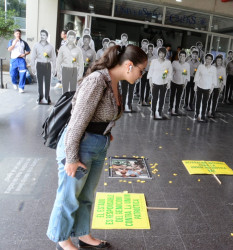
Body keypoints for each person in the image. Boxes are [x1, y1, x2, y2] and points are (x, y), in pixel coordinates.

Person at [47, 45, 147, 250]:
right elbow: (76, 122)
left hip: (97, 145)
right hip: (80, 145)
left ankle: (83, 234)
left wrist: (106, 132)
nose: (141, 75)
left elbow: (104, 114)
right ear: (129, 66)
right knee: (68, 196)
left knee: (86, 196)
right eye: (141, 70)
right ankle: (62, 241)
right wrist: (72, 157)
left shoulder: (114, 82)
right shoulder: (97, 80)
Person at [30, 29, 56, 104]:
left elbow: (53, 58)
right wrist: (33, 67)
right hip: (39, 65)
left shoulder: (51, 47)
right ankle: (40, 97)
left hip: (47, 65)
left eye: (44, 35)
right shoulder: (36, 45)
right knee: (40, 82)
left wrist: (54, 68)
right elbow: (32, 57)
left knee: (48, 82)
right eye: (41, 35)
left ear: (47, 36)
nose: (42, 36)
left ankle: (47, 97)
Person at [147, 47, 173, 120]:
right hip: (155, 82)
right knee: (154, 98)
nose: (161, 54)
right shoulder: (154, 61)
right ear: (158, 53)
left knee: (162, 98)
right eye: (160, 53)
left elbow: (169, 73)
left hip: (163, 83)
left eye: (163, 53)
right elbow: (150, 72)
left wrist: (168, 82)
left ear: (165, 54)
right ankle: (153, 111)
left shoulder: (168, 62)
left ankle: (159, 111)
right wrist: (150, 82)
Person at [194, 53, 217, 122]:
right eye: (207, 58)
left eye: (210, 59)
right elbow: (197, 76)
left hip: (208, 88)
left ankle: (203, 115)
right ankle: (197, 113)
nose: (208, 60)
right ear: (205, 59)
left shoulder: (213, 68)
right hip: (200, 86)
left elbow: (214, 79)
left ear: (212, 60)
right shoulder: (201, 66)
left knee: (205, 103)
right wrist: (195, 85)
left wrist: (212, 88)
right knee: (198, 101)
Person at [7, 29, 31, 93]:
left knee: (23, 73)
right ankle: (14, 83)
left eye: (19, 34)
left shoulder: (24, 42)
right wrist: (15, 43)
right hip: (14, 59)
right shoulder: (11, 41)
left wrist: (24, 54)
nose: (18, 35)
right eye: (17, 33)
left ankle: (21, 87)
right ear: (14, 34)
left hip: (22, 60)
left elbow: (28, 51)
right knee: (12, 73)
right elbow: (9, 49)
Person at [169, 50, 190, 115]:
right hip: (174, 81)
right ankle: (170, 107)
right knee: (172, 95)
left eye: (183, 56)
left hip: (181, 83)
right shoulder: (174, 63)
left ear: (185, 57)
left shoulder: (187, 65)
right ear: (178, 56)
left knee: (178, 97)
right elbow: (170, 72)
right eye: (180, 56)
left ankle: (176, 108)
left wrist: (185, 83)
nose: (182, 57)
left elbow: (187, 75)